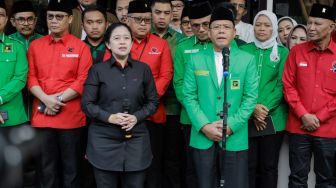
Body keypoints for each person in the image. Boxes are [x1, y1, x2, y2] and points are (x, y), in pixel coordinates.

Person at [183, 6, 258, 188]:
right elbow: (189, 96)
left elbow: (250, 99)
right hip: (203, 136)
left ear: (234, 32)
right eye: (216, 27)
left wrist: (230, 125)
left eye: (226, 27)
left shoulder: (247, 59)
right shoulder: (196, 59)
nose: (221, 31)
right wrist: (205, 126)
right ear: (209, 32)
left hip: (234, 137)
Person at [81, 23, 159, 188]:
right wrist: (110, 117)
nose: (122, 42)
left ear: (131, 43)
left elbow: (153, 102)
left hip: (136, 138)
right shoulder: (97, 70)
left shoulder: (143, 69)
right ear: (108, 44)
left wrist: (136, 117)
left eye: (126, 38)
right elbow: (87, 104)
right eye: (117, 38)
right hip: (103, 138)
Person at [27, 1, 93, 187]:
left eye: (59, 17)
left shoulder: (81, 47)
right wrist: (47, 100)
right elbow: (31, 78)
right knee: (45, 168)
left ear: (70, 19)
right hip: (42, 115)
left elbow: (83, 80)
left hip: (71, 118)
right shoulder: (35, 46)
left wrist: (55, 100)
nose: (54, 21)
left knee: (72, 168)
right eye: (50, 17)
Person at [283, 3, 336, 188]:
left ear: (331, 27)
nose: (311, 28)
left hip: (329, 130)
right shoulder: (297, 52)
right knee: (297, 179)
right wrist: (303, 115)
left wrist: (319, 117)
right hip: (299, 127)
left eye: (317, 24)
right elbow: (288, 86)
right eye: (310, 22)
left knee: (327, 180)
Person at [126, 1, 173, 188]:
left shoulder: (160, 44)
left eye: (147, 20)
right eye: (138, 20)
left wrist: (146, 101)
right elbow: (109, 74)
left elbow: (165, 75)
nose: (144, 24)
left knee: (154, 163)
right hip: (125, 114)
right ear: (128, 20)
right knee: (129, 164)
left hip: (153, 114)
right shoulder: (120, 41)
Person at [240, 10, 289, 188]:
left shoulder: (283, 53)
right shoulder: (243, 50)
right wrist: (253, 108)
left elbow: (282, 85)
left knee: (269, 166)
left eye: (267, 25)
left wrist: (263, 108)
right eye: (258, 24)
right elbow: (238, 82)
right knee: (249, 165)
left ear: (274, 28)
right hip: (246, 116)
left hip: (274, 119)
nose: (261, 29)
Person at [173, 2, 212, 187]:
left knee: (217, 166)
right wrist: (197, 111)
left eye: (206, 24)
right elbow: (179, 84)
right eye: (195, 25)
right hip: (191, 119)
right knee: (192, 167)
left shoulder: (225, 44)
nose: (201, 29)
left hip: (220, 117)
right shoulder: (182, 48)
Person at [150, 0, 184, 187]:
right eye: (158, 12)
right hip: (149, 108)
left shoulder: (181, 40)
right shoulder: (142, 37)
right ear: (151, 13)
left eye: (166, 13)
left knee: (172, 157)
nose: (162, 17)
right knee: (152, 156)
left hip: (173, 106)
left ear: (173, 14)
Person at [0, 2, 29, 186]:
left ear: (6, 19)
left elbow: (20, 78)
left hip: (13, 119)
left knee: (13, 173)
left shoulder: (16, 46)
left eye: (1, 14)